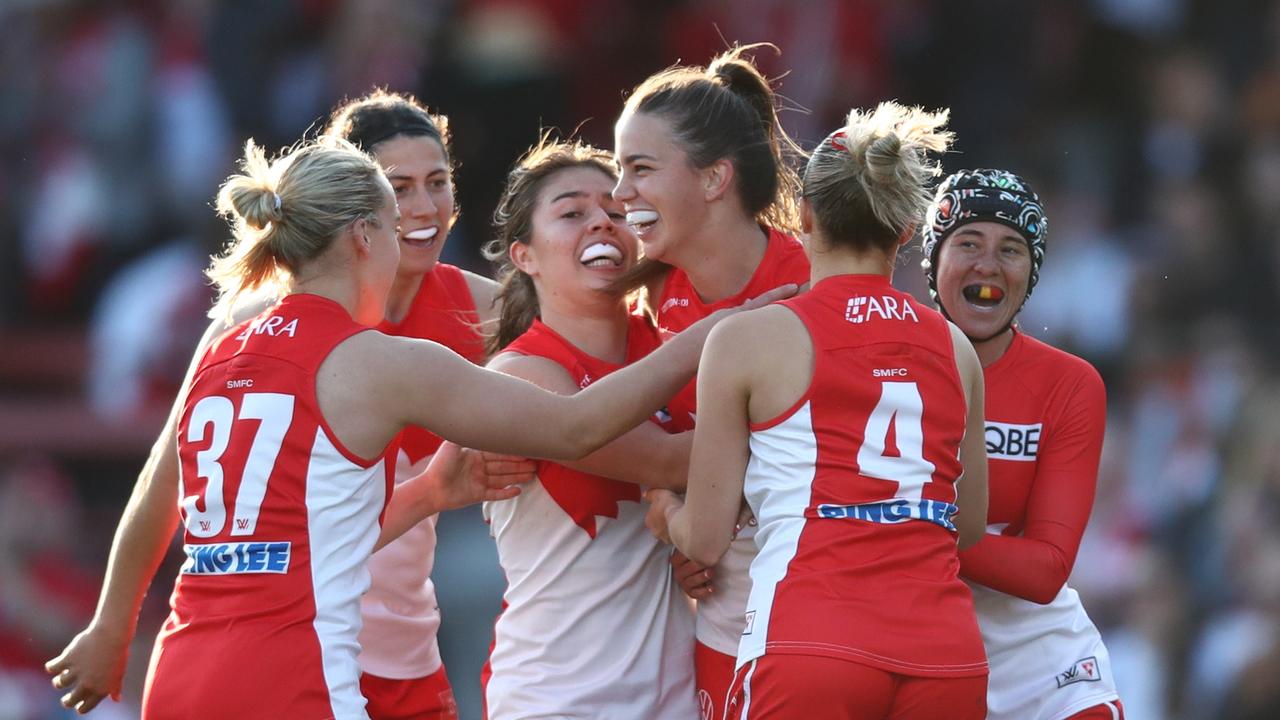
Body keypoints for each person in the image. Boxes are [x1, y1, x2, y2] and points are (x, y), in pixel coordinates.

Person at [45, 138, 773, 719]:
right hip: (291, 676)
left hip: (180, 669)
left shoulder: (223, 345)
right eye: (395, 227)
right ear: (365, 236)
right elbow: (576, 426)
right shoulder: (374, 360)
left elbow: (160, 495)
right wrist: (719, 332)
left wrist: (112, 628)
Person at [655, 102, 990, 719]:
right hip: (945, 651)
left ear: (803, 216)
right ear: (907, 229)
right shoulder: (956, 348)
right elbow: (965, 528)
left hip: (811, 636)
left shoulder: (748, 339)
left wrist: (665, 508)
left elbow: (704, 538)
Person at [610, 44, 810, 719]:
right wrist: (670, 509)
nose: (618, 196)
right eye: (618, 171)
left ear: (715, 178)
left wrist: (684, 517)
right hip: (723, 614)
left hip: (817, 619)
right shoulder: (652, 294)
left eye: (640, 169)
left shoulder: (811, 286)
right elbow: (664, 452)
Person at [479, 137, 709, 719]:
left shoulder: (678, 344)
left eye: (615, 211)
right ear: (524, 256)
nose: (602, 224)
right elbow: (662, 460)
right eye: (572, 213)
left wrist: (703, 540)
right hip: (554, 698)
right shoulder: (518, 372)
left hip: (677, 694)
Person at [921, 168, 1124, 720]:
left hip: (1043, 667)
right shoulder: (881, 364)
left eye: (1011, 249)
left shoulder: (1070, 384)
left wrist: (906, 528)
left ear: (1030, 275)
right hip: (915, 652)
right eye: (967, 243)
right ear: (932, 258)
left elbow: (1045, 570)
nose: (987, 265)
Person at [321, 89, 496, 720]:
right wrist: (112, 625)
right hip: (303, 651)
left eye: (438, 182)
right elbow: (165, 480)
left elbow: (597, 379)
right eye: (400, 187)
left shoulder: (488, 311)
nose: (424, 209)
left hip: (410, 657)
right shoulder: (273, 320)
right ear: (355, 202)